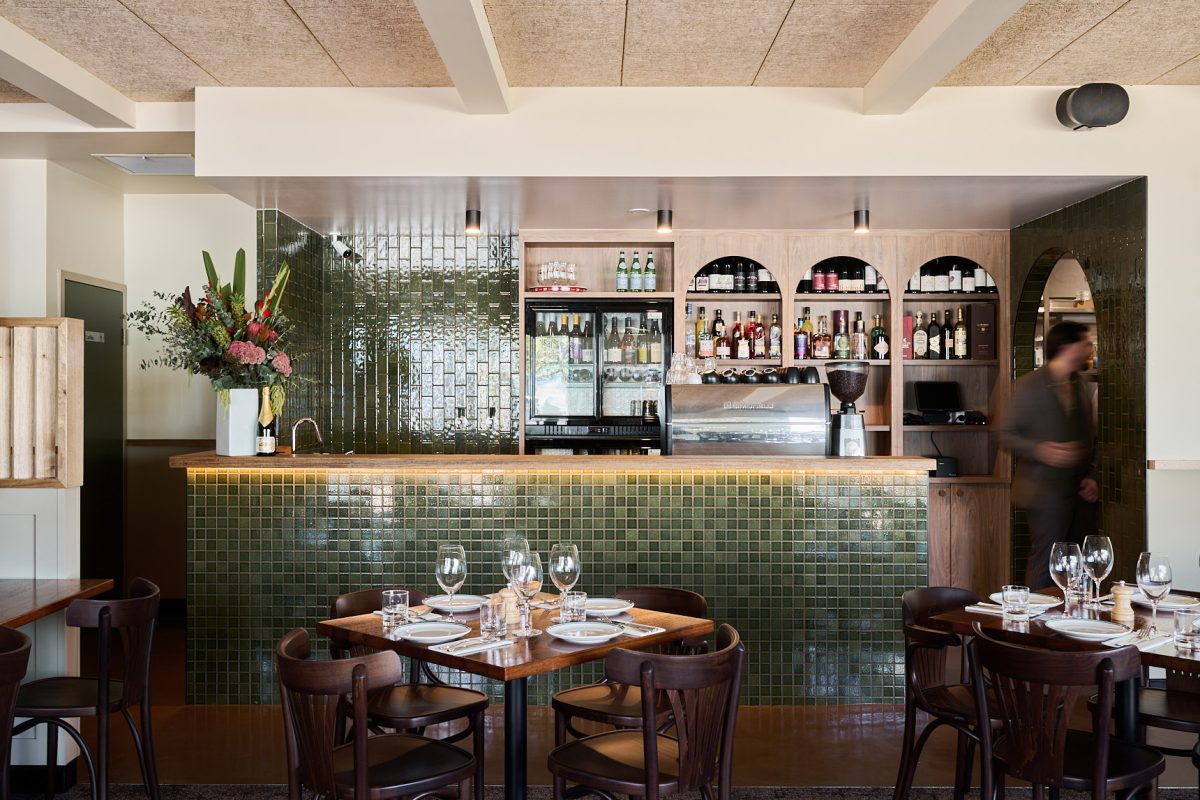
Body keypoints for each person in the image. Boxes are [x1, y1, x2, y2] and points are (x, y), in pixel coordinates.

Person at [997, 320, 1098, 590]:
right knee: (1047, 560)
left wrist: (1092, 475)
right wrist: (1041, 449)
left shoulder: (1081, 384)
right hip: (1043, 491)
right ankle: (1037, 623)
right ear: (1068, 346)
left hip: (1080, 491)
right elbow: (1004, 434)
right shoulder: (1029, 386)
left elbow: (1091, 439)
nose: (1090, 348)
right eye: (1085, 343)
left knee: (1083, 564)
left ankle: (1073, 622)